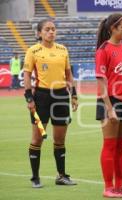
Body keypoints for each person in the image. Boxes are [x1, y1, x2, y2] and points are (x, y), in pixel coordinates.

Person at [23, 19, 78, 188]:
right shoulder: (33, 51)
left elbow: (69, 75)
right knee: (37, 138)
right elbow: (27, 75)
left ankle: (61, 176)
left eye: (53, 29)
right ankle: (35, 177)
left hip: (61, 96)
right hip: (41, 97)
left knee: (60, 139)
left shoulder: (63, 50)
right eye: (47, 29)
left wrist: (73, 95)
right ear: (40, 33)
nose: (51, 32)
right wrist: (29, 98)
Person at [95, 13, 122, 198]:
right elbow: (102, 82)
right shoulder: (103, 50)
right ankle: (108, 187)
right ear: (112, 28)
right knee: (110, 145)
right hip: (110, 101)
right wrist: (109, 108)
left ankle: (120, 186)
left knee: (121, 147)